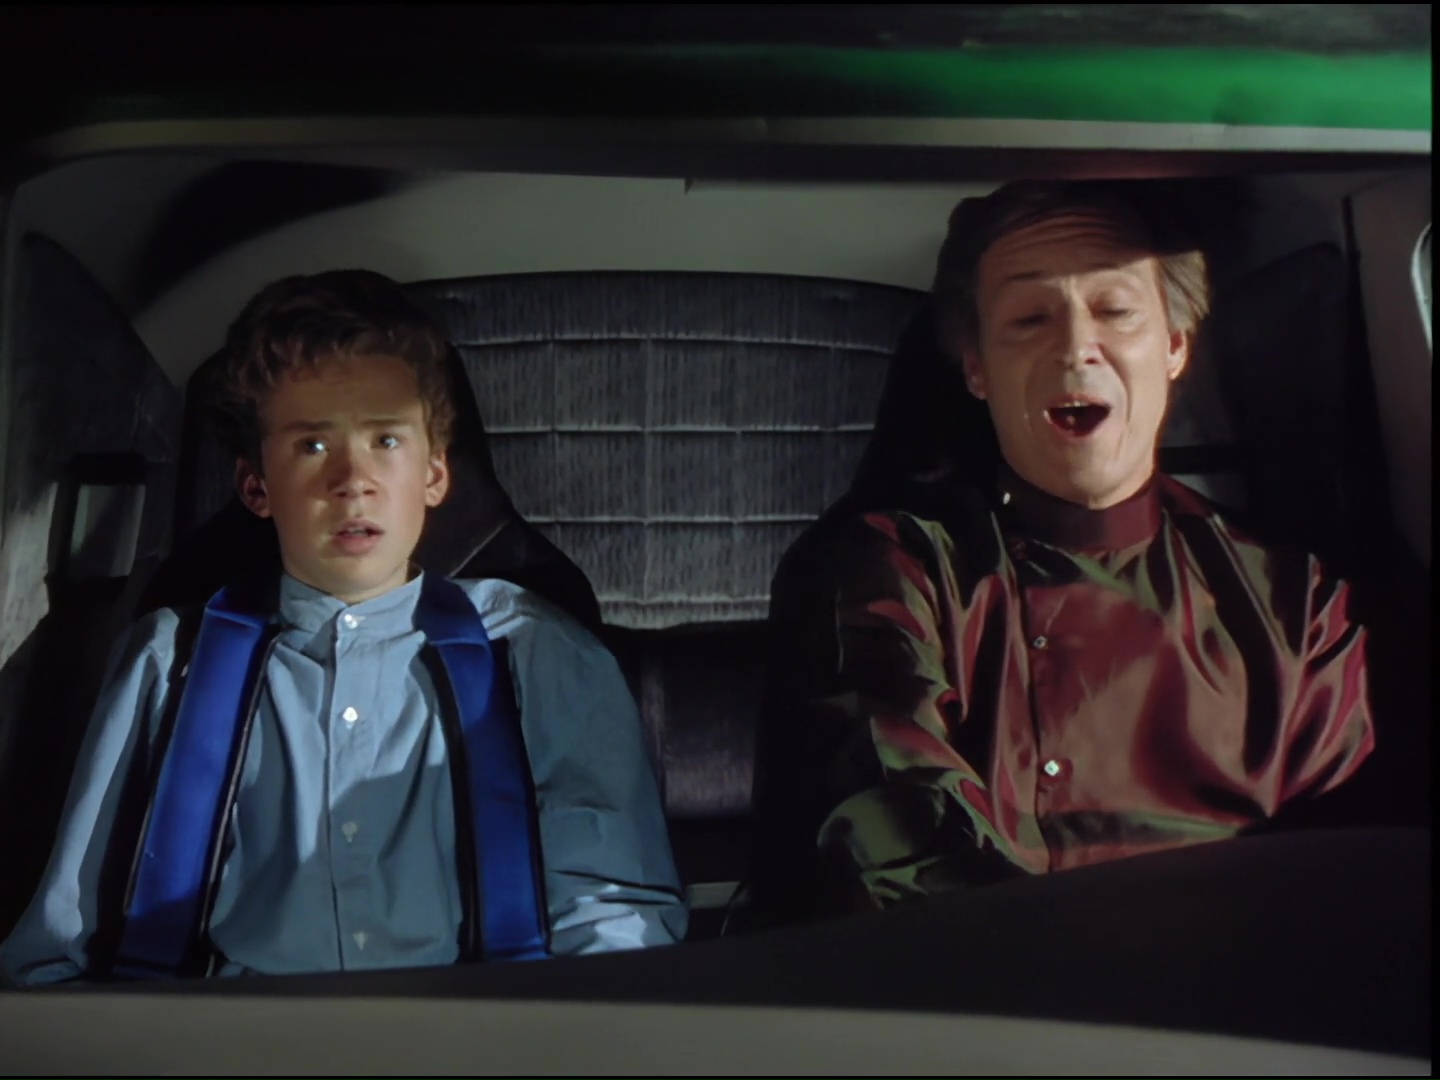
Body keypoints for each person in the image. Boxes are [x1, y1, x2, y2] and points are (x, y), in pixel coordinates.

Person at [1, 270, 686, 985]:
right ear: (256, 487)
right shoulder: (167, 661)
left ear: (435, 474)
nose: (353, 480)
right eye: (313, 447)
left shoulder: (535, 651)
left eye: (385, 439)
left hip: (482, 1028)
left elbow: (611, 919)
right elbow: (60, 946)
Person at [758, 181, 1376, 918]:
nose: (1077, 347)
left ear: (1175, 346)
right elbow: (888, 844)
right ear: (977, 368)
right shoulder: (884, 570)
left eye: (1115, 310)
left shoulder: (1296, 601)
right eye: (1029, 318)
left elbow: (1350, 867)